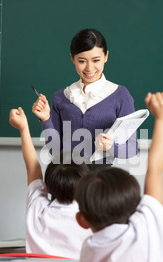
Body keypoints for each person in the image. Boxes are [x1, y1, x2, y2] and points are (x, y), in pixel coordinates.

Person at [73, 92, 163, 262]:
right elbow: (155, 170)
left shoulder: (87, 249)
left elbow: (155, 171)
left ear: (81, 220)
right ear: (134, 206)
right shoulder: (146, 231)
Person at [32, 28, 138, 163]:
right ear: (72, 58)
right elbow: (55, 150)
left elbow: (132, 148)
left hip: (100, 179)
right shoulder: (61, 97)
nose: (89, 68)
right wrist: (46, 119)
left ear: (106, 56)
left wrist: (111, 147)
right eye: (82, 61)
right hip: (66, 177)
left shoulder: (120, 95)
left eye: (96, 60)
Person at [9, 107, 92, 259]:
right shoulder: (92, 222)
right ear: (87, 189)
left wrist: (23, 128)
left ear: (46, 188)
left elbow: (33, 167)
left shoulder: (37, 209)